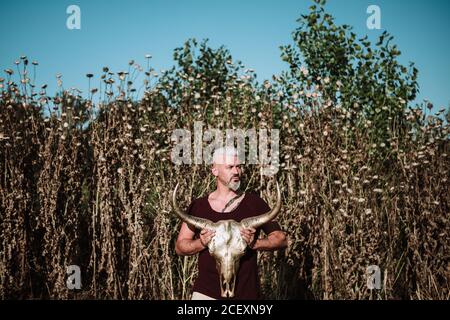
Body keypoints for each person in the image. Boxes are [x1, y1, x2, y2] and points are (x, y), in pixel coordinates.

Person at [175, 146, 288, 300]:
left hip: (246, 295)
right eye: (230, 167)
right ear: (214, 170)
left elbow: (281, 239)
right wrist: (201, 243)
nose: (236, 172)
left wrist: (255, 243)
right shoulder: (199, 206)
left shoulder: (254, 204)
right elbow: (180, 247)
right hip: (206, 294)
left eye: (238, 166)